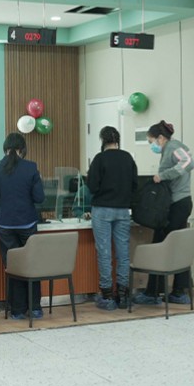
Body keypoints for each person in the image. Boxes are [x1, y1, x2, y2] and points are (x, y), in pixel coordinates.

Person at [0, 132, 45, 320]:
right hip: (28, 223)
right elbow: (39, 198)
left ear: (5, 149)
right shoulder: (31, 167)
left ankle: (17, 310)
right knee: (32, 263)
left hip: (5, 224)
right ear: (22, 150)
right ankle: (35, 308)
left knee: (13, 265)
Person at [134, 120, 194, 305]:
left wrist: (163, 175)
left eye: (151, 141)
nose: (152, 145)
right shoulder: (170, 148)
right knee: (177, 246)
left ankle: (153, 293)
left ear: (160, 138)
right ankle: (178, 291)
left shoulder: (173, 147)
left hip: (176, 205)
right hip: (181, 203)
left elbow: (189, 162)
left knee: (160, 245)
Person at [86, 126, 138, 310]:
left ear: (102, 140)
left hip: (102, 210)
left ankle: (107, 295)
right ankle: (123, 295)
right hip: (123, 211)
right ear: (117, 140)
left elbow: (92, 186)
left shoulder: (100, 159)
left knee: (105, 253)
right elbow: (134, 185)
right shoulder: (128, 158)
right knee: (123, 254)